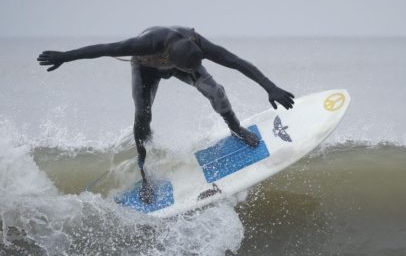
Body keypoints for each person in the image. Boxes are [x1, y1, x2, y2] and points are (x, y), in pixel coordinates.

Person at [37, 26, 295, 202]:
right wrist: (66, 56)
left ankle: (236, 128)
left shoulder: (198, 43)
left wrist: (270, 88)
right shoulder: (144, 44)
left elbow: (237, 62)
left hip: (184, 63)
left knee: (215, 91)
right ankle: (145, 175)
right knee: (142, 116)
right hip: (146, 67)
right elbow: (106, 48)